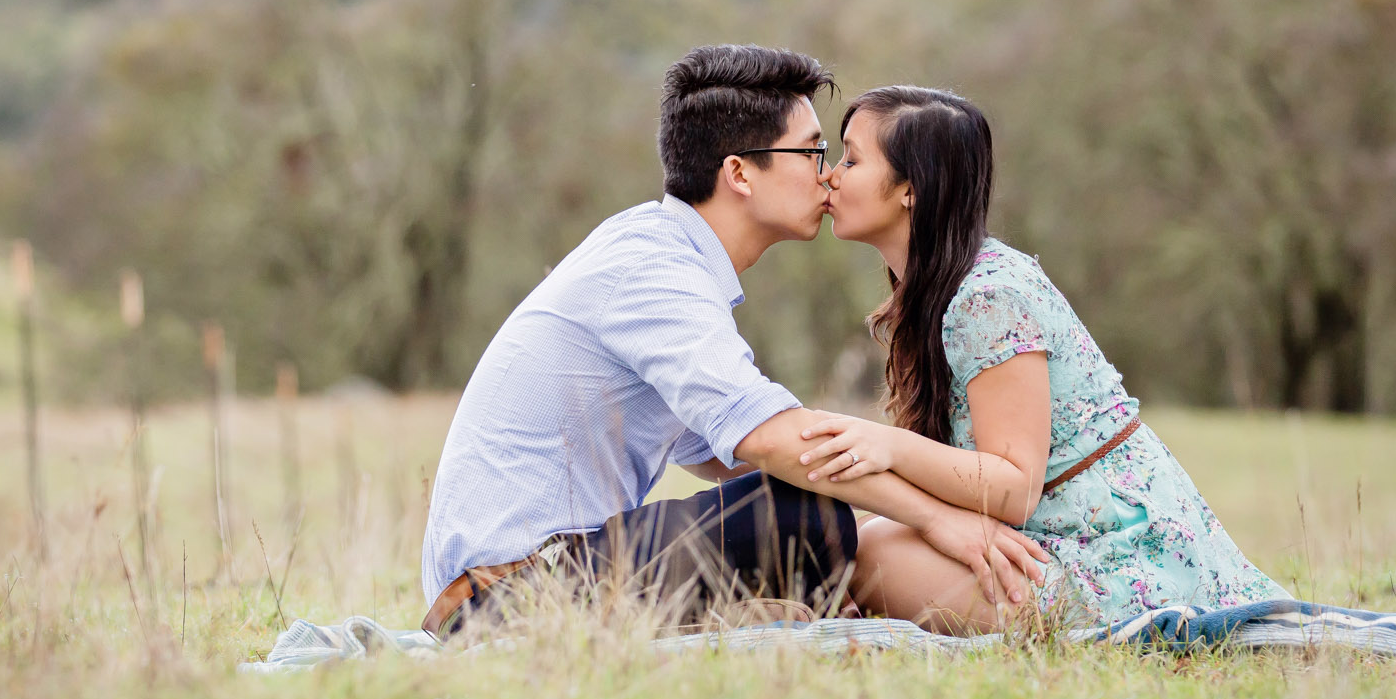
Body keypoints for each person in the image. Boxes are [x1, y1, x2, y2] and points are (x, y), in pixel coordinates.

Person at [419, 47, 1048, 637]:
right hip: (504, 600)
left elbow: (728, 453)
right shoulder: (653, 270)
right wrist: (935, 519)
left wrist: (887, 512)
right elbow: (770, 440)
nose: (828, 178)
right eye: (812, 153)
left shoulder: (662, 255)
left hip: (532, 578)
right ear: (740, 173)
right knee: (804, 514)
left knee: (812, 505)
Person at [794, 85, 1289, 632]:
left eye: (851, 158)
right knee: (858, 542)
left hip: (1111, 562)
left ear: (910, 189)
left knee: (867, 555)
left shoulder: (987, 297)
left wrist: (886, 445)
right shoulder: (940, 291)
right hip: (1055, 542)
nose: (830, 175)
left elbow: (1015, 487)